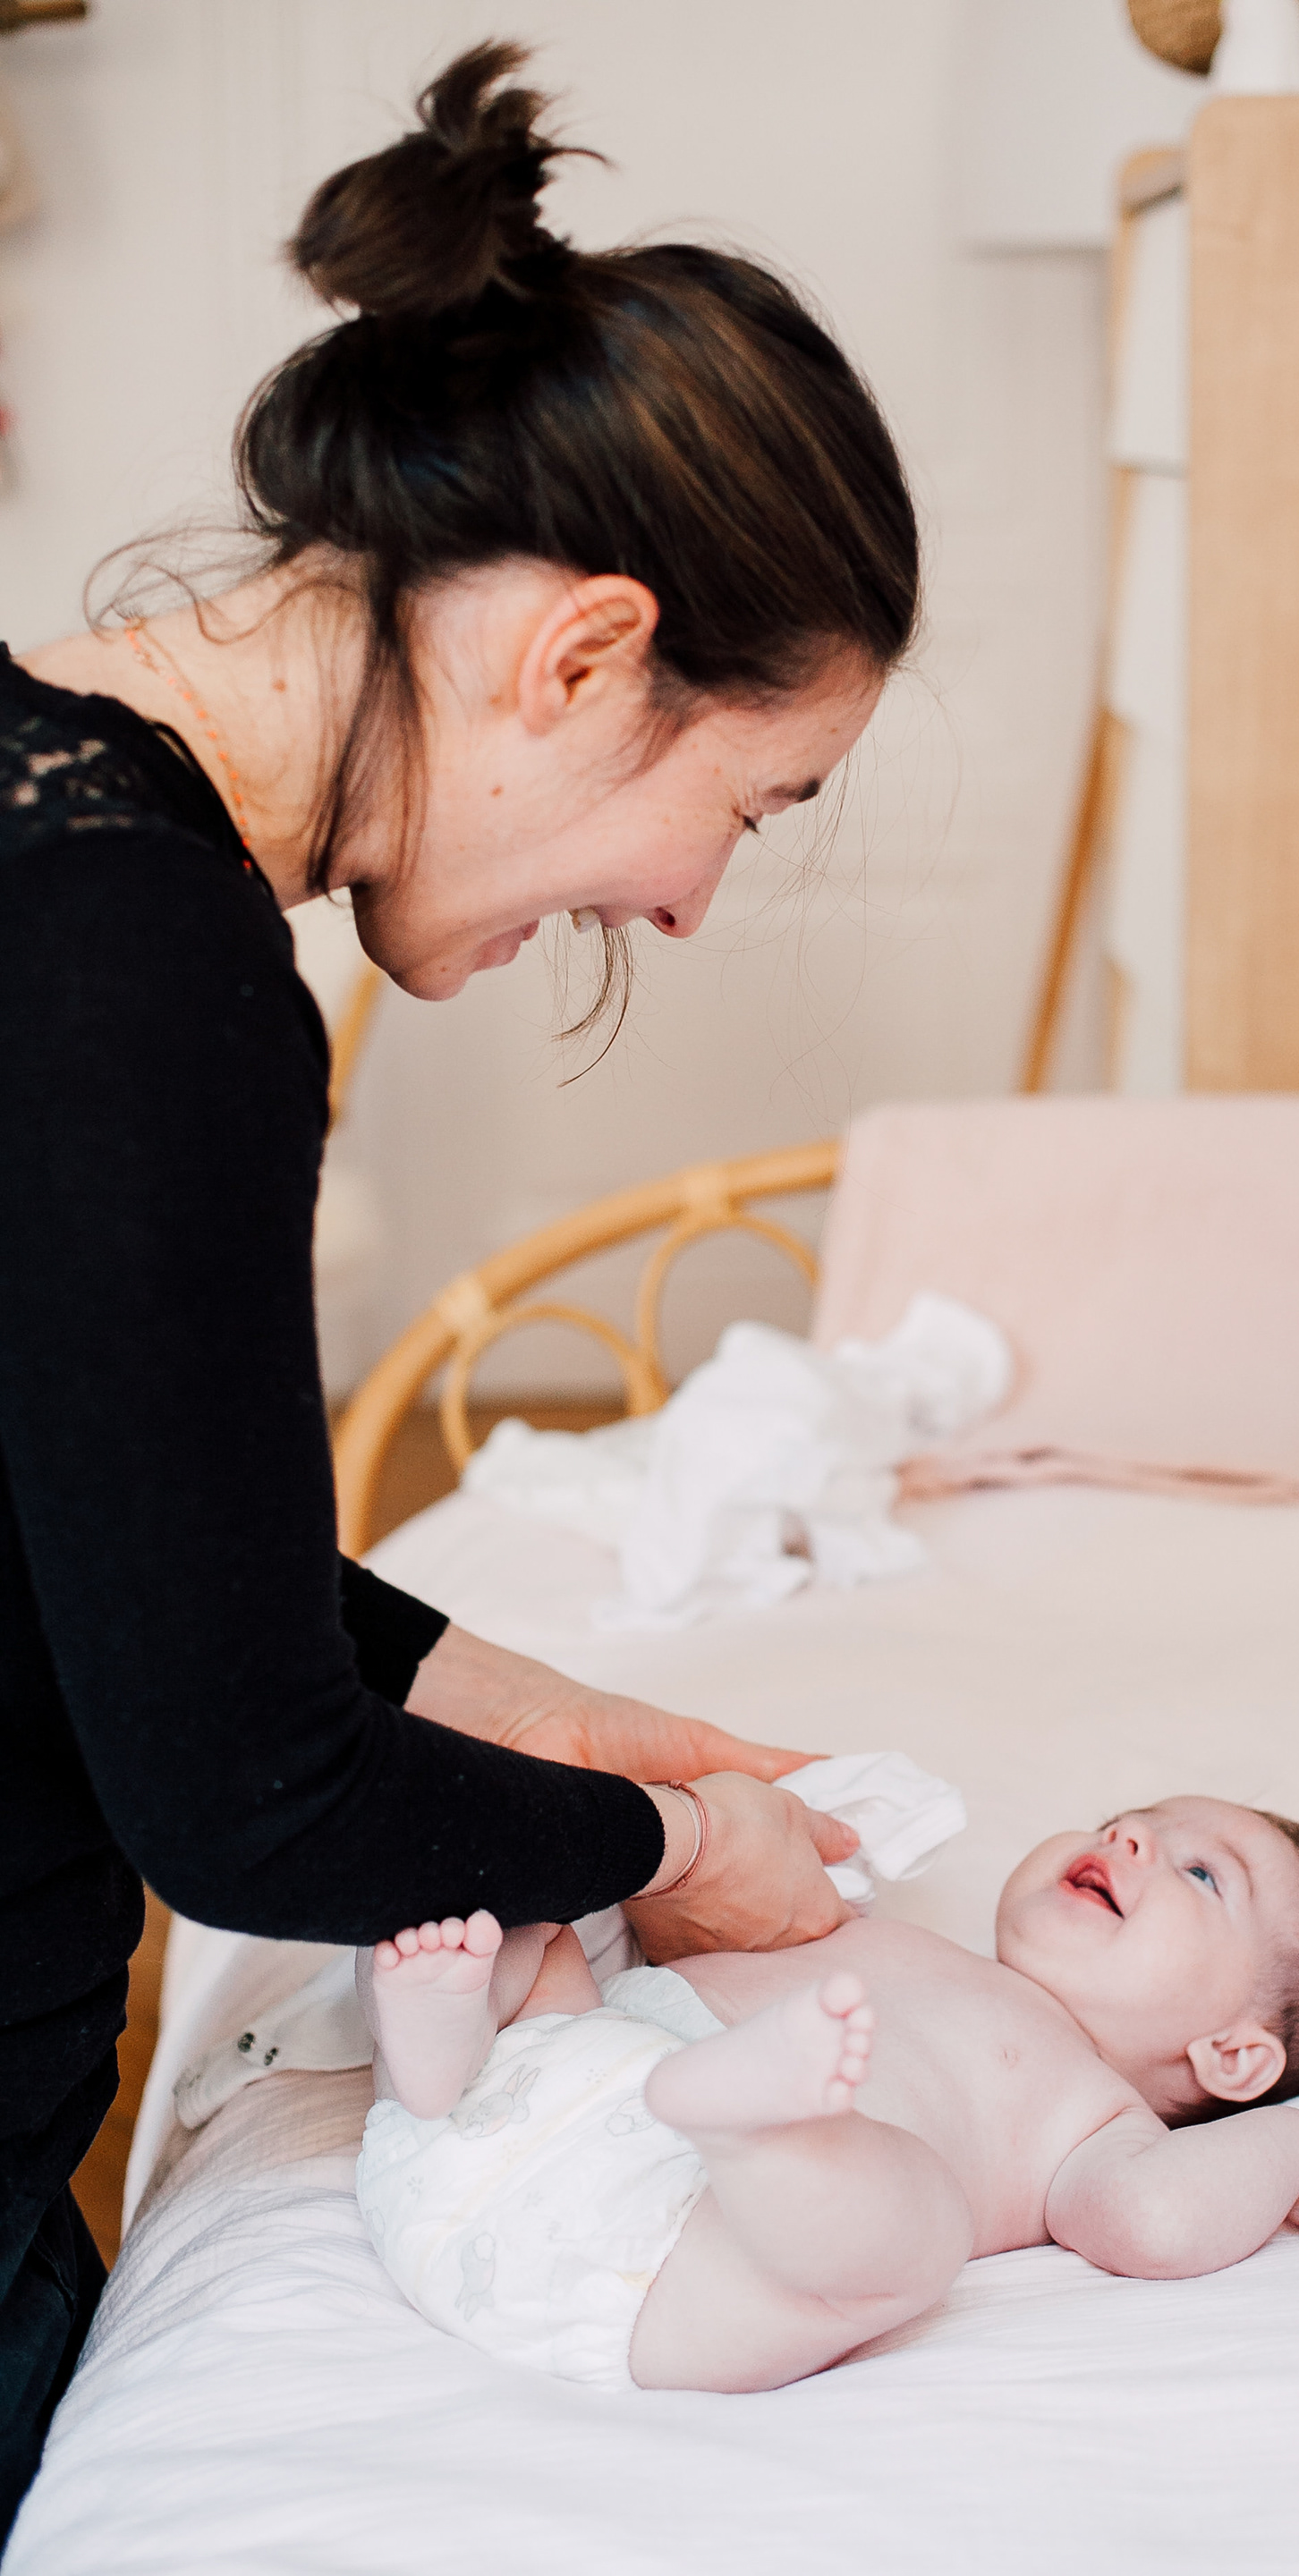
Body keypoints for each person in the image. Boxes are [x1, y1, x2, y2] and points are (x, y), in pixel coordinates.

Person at [0, 39, 920, 2533]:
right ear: (585, 651)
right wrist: (663, 1849)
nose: (694, 902)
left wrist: (548, 1705)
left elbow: (104, 1517)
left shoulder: (53, 818)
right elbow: (249, 1796)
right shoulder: (143, 976)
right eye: (738, 805)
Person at [354, 1796, 1299, 2393]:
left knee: (914, 2232)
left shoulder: (1098, 2121)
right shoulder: (882, 1934)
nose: (1131, 1839)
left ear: (1233, 2058)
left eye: (1202, 1876)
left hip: (669, 2260)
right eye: (1130, 1820)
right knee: (528, 1915)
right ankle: (434, 2024)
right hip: (526, 2095)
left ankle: (772, 2136)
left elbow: (1154, 2219)